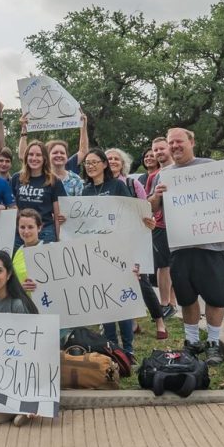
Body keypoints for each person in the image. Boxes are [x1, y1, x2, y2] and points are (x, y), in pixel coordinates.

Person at [150, 126, 224, 364]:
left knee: (215, 298)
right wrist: (157, 195)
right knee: (187, 299)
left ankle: (214, 343)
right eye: (171, 143)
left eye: (179, 141)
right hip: (179, 248)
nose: (175, 146)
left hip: (210, 246)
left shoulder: (210, 167)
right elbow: (153, 209)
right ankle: (192, 341)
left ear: (191, 142)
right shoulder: (162, 175)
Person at [77, 147, 139, 354]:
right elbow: (82, 223)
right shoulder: (85, 191)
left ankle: (128, 350)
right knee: (104, 301)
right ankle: (112, 348)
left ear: (104, 164)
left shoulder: (118, 186)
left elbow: (131, 214)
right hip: (95, 253)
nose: (91, 166)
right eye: (87, 163)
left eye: (95, 162)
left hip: (119, 250)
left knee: (122, 300)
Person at [0, 249, 40, 426]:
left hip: (23, 371)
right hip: (2, 372)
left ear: (9, 275)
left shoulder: (18, 304)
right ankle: (17, 407)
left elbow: (31, 350)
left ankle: (28, 403)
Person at [144, 135, 177, 317]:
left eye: (161, 149)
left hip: (181, 226)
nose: (158, 153)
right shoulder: (154, 177)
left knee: (177, 266)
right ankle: (164, 303)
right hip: (161, 226)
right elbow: (149, 202)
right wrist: (156, 195)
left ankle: (173, 302)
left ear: (169, 148)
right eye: (155, 150)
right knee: (163, 266)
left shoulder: (182, 171)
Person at [11, 140, 65, 243]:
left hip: (45, 232)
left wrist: (59, 241)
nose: (34, 158)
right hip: (21, 233)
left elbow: (58, 216)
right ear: (26, 157)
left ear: (44, 158)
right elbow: (10, 206)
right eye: (31, 154)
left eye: (38, 155)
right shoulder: (16, 178)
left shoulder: (54, 181)